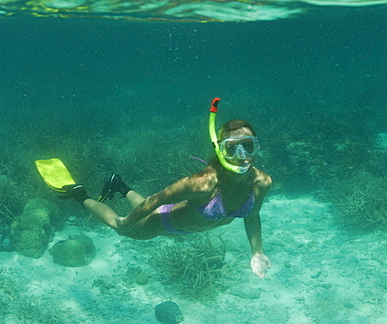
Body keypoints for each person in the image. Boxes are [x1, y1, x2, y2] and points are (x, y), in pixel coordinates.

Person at [56, 101, 271, 279]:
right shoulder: (202, 183)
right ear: (220, 150)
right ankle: (80, 194)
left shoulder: (261, 182)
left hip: (180, 225)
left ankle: (119, 185)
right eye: (232, 148)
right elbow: (157, 200)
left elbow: (252, 217)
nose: (243, 156)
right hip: (161, 222)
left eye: (249, 146)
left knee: (141, 206)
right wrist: (127, 221)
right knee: (120, 227)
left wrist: (257, 252)